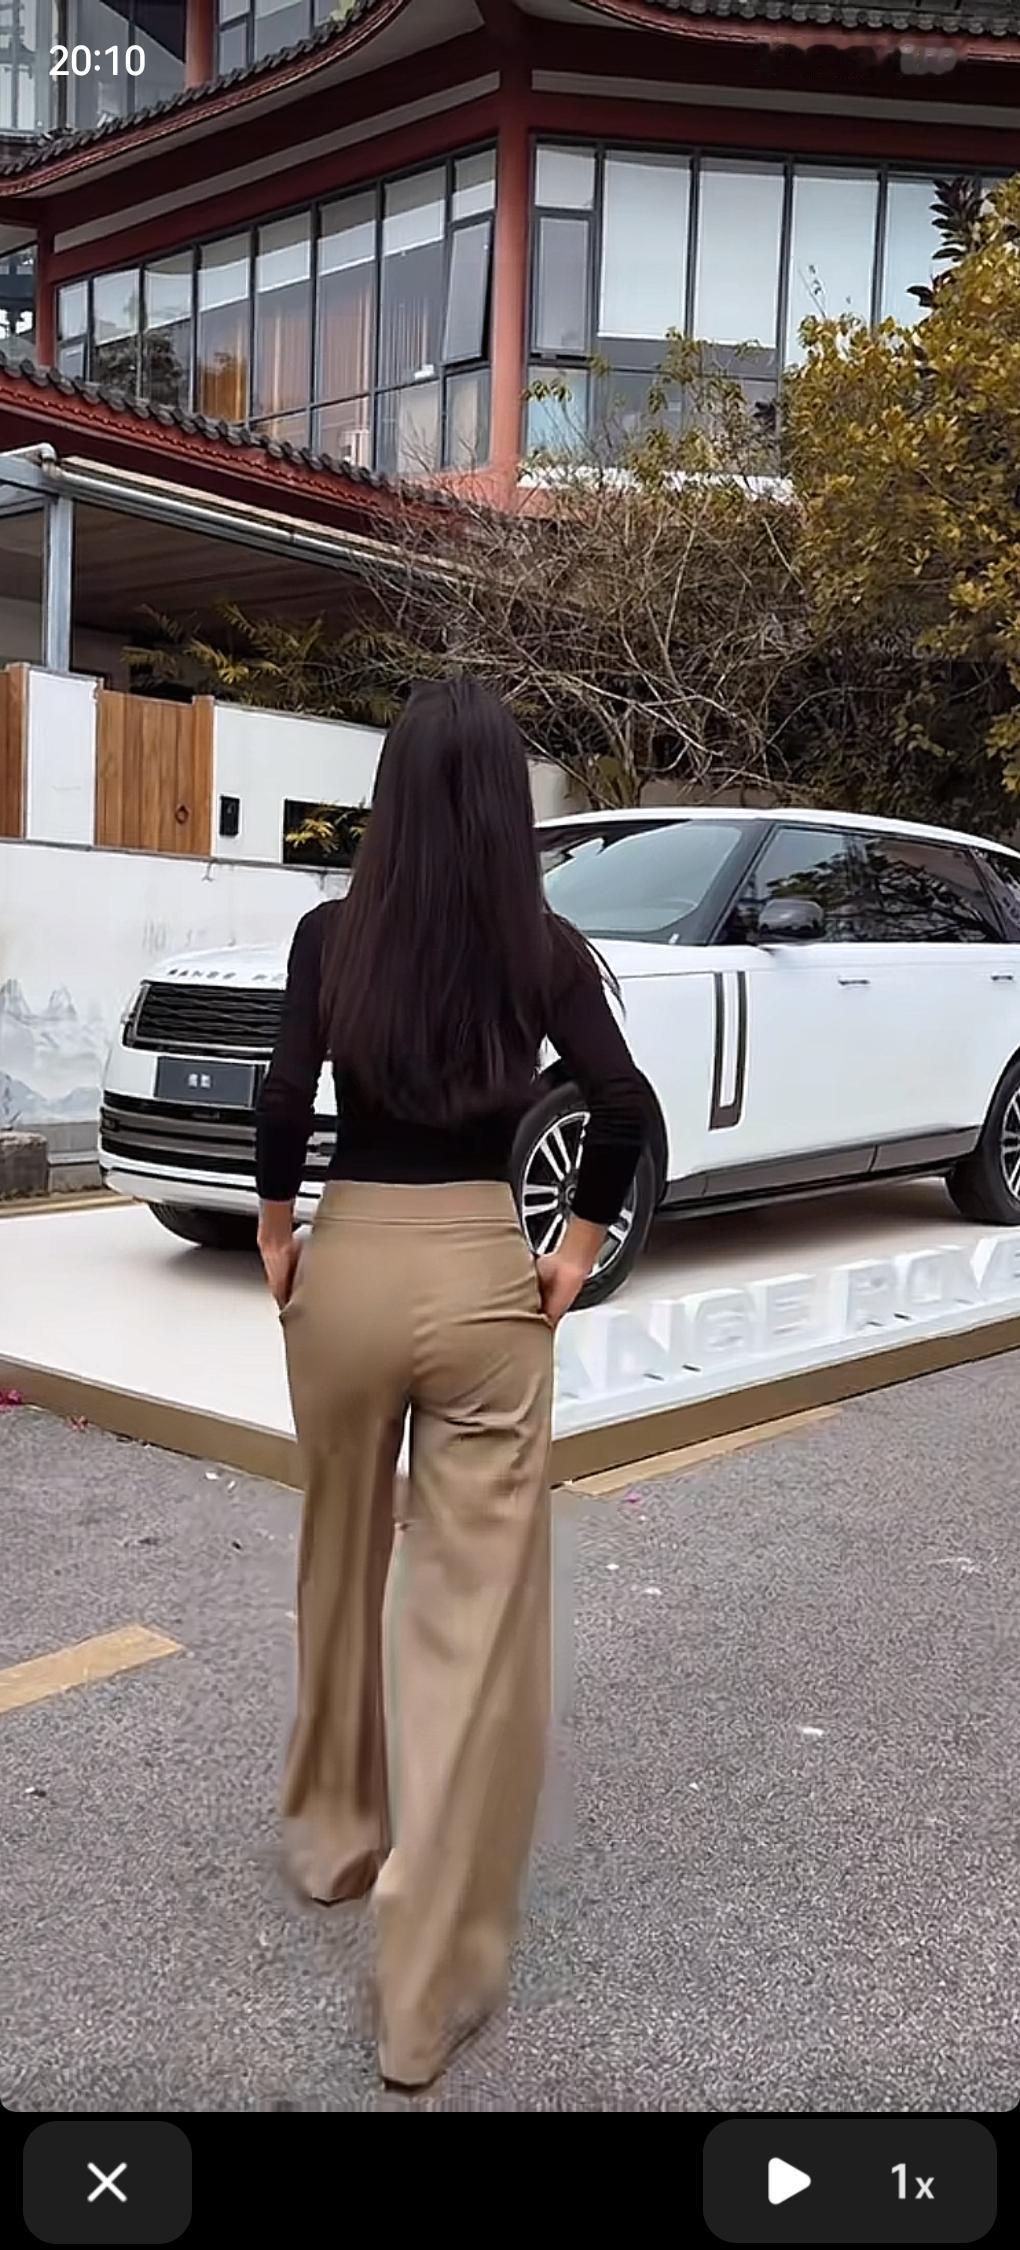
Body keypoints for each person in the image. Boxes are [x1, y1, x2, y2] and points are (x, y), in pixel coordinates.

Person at [255, 678, 648, 2090]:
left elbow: (282, 1095)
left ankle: (333, 1838)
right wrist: (572, 1253)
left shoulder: (330, 933)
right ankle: (424, 1981)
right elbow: (624, 1108)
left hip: (353, 1265)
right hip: (484, 1275)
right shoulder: (541, 944)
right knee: (469, 1616)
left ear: (391, 802)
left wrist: (279, 1234)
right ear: (504, 811)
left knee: (337, 1559)